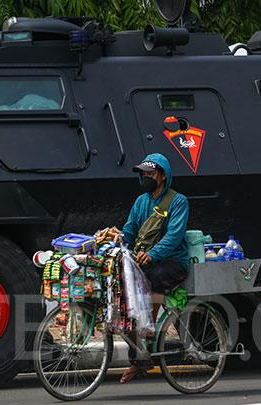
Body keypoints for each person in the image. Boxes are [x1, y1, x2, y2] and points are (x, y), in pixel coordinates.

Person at [117, 153, 190, 383]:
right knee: (124, 297)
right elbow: (129, 231)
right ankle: (139, 361)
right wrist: (114, 244)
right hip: (145, 260)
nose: (145, 177)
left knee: (151, 278)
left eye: (150, 173)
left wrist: (152, 254)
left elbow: (174, 237)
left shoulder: (178, 201)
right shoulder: (141, 202)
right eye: (143, 173)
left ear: (162, 176)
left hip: (172, 262)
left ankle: (149, 325)